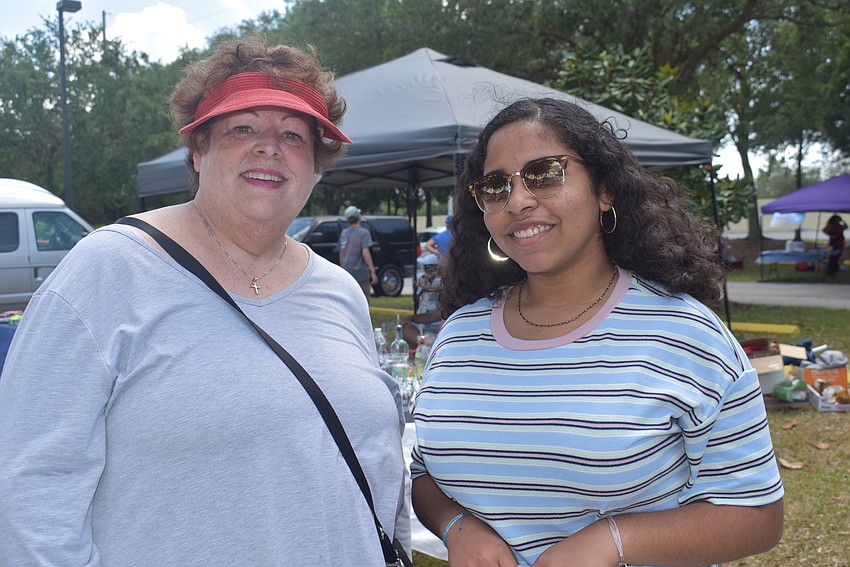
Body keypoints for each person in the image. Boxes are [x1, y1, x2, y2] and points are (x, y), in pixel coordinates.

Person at [0, 34, 409, 566]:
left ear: (316, 164)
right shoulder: (109, 269)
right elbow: (29, 487)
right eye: (243, 127)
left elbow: (377, 471)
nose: (270, 146)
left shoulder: (340, 292)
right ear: (198, 149)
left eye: (293, 134)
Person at [410, 98, 784, 567]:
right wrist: (455, 525)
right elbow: (423, 472)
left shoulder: (687, 335)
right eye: (496, 185)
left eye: (545, 173)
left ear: (604, 189)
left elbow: (758, 514)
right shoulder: (459, 337)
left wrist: (610, 541)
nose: (519, 200)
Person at [337, 204, 378, 302]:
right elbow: (365, 252)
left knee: (349, 302)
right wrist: (372, 271)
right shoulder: (364, 233)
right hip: (361, 273)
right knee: (363, 301)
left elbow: (341, 253)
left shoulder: (344, 233)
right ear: (358, 217)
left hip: (347, 273)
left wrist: (343, 269)